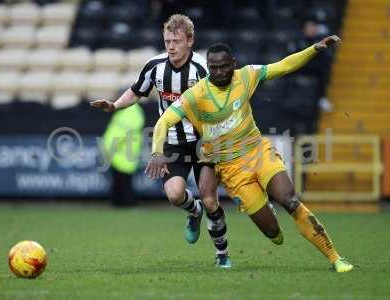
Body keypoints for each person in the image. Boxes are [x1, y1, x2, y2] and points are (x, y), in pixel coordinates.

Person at [146, 36, 354, 273]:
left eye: (224, 66)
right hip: (231, 170)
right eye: (213, 68)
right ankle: (265, 214)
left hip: (258, 153)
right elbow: (163, 122)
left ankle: (336, 258)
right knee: (274, 234)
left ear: (233, 64)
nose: (219, 71)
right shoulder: (196, 94)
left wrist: (314, 49)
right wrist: (156, 152)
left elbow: (284, 66)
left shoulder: (246, 75)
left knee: (291, 200)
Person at [90, 14, 231, 268]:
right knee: (175, 195)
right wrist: (114, 105)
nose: (171, 46)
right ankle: (194, 212)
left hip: (203, 142)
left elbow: (221, 104)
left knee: (211, 198)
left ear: (190, 40)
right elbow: (136, 91)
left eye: (176, 41)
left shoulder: (202, 69)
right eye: (167, 41)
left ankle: (222, 255)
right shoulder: (155, 66)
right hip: (173, 142)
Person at [102, 104, 145, 207]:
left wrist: (109, 147)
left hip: (121, 154)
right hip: (123, 155)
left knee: (122, 183)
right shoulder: (133, 111)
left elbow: (119, 133)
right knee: (122, 182)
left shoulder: (128, 112)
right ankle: (125, 202)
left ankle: (125, 202)